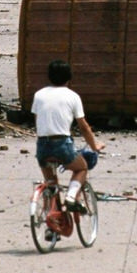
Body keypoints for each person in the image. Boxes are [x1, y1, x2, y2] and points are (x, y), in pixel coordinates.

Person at [31, 60, 104, 213]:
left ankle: (51, 225)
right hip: (61, 144)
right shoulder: (72, 96)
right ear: (69, 77)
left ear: (49, 77)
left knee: (51, 184)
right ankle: (71, 196)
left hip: (42, 145)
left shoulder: (39, 95)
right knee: (81, 168)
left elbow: (38, 121)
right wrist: (94, 145)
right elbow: (83, 127)